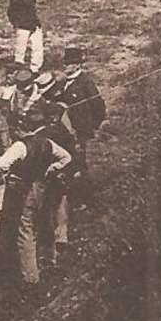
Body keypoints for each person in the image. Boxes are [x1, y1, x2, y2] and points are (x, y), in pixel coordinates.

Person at [0, 108, 75, 284]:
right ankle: (49, 263)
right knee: (43, 223)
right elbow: (67, 158)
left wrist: (9, 176)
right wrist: (50, 169)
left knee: (25, 231)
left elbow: (1, 165)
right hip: (41, 187)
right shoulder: (48, 143)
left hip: (23, 190)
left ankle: (30, 278)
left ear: (23, 126)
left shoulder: (20, 145)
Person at [50, 47, 106, 248]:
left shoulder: (85, 83)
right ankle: (76, 197)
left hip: (79, 132)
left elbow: (99, 107)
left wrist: (91, 127)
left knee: (80, 167)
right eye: (66, 62)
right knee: (71, 164)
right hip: (66, 132)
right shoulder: (64, 82)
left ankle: (87, 200)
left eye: (71, 63)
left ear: (79, 64)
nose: (67, 65)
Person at [7, 0, 43, 71]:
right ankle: (20, 68)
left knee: (36, 47)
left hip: (32, 22)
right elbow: (12, 10)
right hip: (23, 23)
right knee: (21, 48)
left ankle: (34, 69)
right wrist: (16, 22)